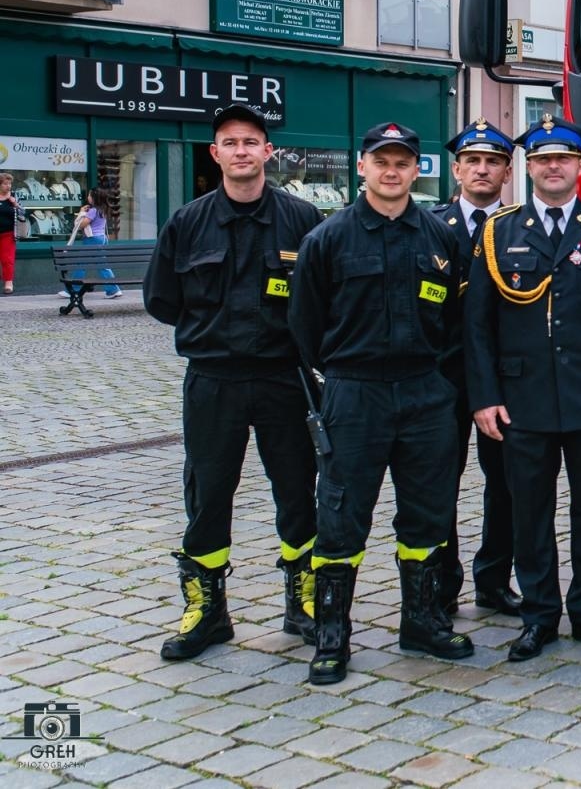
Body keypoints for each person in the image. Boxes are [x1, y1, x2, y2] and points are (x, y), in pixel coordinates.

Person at [289, 121, 473, 685]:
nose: (392, 171)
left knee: (427, 512)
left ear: (417, 171)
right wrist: (340, 380)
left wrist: (441, 382)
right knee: (340, 517)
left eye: (402, 162)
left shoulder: (441, 237)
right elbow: (304, 324)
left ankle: (420, 621)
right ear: (362, 167)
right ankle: (332, 635)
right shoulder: (329, 237)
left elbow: (459, 322)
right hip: (355, 393)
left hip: (425, 392)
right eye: (381, 161)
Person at [464, 115, 581, 661]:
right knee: (529, 513)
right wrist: (484, 396)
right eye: (542, 159)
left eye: (562, 159)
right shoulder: (500, 231)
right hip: (523, 400)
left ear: (577, 165)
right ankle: (539, 615)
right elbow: (477, 325)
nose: (552, 167)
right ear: (529, 166)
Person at [143, 104, 323, 661]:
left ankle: (304, 601)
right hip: (213, 379)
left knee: (297, 489)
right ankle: (207, 610)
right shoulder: (188, 222)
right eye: (230, 142)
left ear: (267, 152)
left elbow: (324, 297)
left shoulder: (303, 219)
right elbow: (161, 299)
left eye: (252, 141)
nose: (242, 150)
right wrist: (215, 331)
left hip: (283, 379)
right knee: (208, 492)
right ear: (214, 153)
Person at [431, 117, 521, 619]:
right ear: (457, 169)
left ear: (507, 172)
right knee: (438, 482)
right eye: (473, 162)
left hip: (503, 378)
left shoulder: (519, 227)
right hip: (443, 376)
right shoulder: (429, 225)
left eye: (493, 162)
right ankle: (441, 586)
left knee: (505, 483)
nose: (482, 170)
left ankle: (494, 579)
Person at [72, 187, 122, 298]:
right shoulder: (102, 209)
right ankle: (113, 289)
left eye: (89, 195)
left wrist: (81, 212)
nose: (87, 197)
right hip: (101, 238)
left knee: (83, 264)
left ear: (94, 198)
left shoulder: (93, 210)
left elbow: (81, 225)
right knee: (100, 264)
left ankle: (73, 289)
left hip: (92, 239)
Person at [0, 172, 18, 294]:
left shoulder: (15, 197)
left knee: (7, 260)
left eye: (10, 183)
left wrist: (15, 204)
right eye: (5, 183)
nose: (8, 186)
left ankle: (8, 283)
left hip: (8, 234)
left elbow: (24, 215)